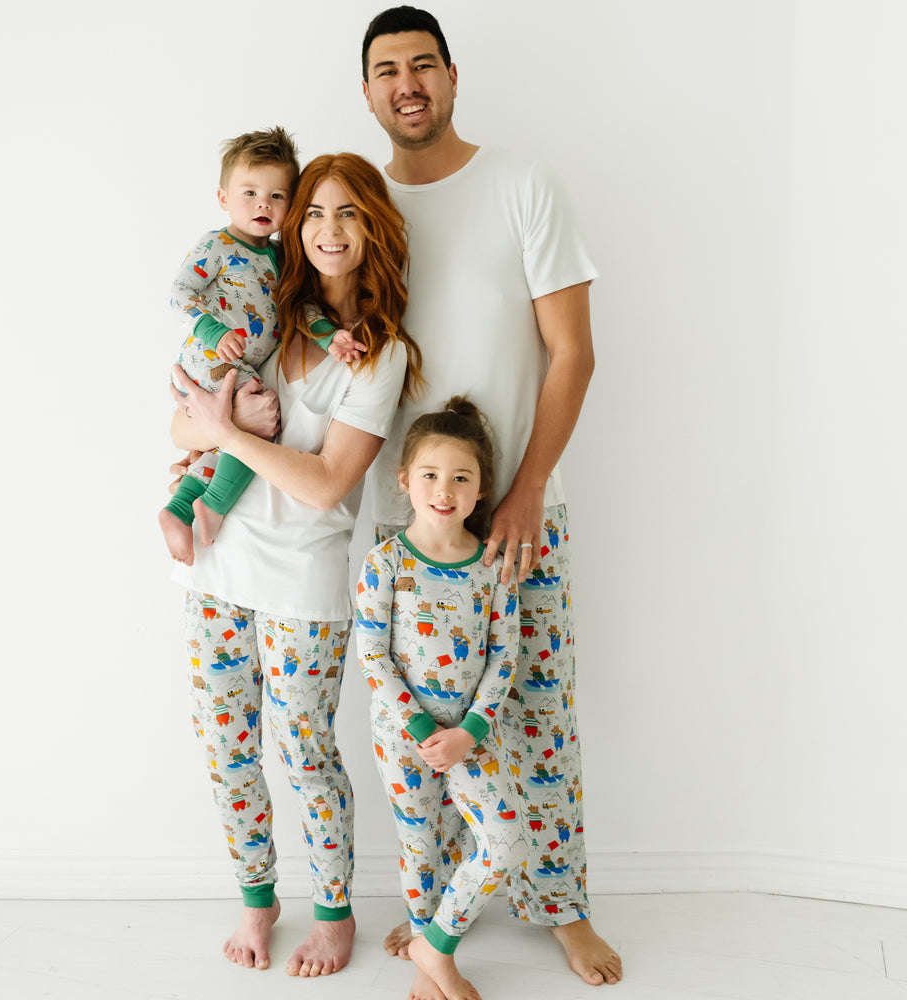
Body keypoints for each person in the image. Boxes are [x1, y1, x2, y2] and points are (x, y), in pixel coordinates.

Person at [359, 6, 623, 987]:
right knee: (414, 735)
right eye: (387, 70)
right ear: (369, 91)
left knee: (538, 715)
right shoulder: (359, 207)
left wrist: (528, 488)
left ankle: (562, 908)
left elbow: (573, 352)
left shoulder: (521, 184)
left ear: (453, 77)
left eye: (422, 64)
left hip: (516, 515)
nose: (407, 83)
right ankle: (437, 917)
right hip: (406, 529)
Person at [168, 152, 423, 978]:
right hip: (214, 568)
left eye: (346, 213)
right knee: (228, 750)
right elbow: (180, 427)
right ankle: (257, 896)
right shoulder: (269, 311)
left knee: (306, 755)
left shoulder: (376, 355)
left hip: (301, 588)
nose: (325, 229)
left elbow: (323, 486)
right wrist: (212, 428)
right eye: (312, 212)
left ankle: (335, 912)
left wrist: (229, 433)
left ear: (373, 227)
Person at [357, 397, 523, 1000]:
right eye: (430, 475)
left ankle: (434, 945)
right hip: (406, 737)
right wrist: (427, 730)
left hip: (473, 736)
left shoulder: (492, 569)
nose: (444, 489)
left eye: (461, 477)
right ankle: (434, 961)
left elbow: (506, 655)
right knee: (420, 841)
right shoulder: (386, 564)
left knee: (504, 836)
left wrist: (468, 733)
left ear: (481, 491)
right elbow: (374, 656)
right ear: (405, 481)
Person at [160, 127, 363, 566]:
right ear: (223, 197)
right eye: (249, 192)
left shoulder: (280, 258)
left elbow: (299, 308)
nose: (262, 205)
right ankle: (211, 509)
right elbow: (179, 294)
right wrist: (216, 334)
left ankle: (179, 511)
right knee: (260, 424)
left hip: (241, 363)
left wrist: (330, 338)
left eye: (277, 196)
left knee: (223, 443)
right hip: (213, 355)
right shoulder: (216, 246)